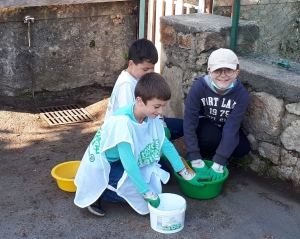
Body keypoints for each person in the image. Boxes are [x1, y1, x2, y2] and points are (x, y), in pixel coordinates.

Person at [74, 73, 208, 217]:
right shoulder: (122, 122)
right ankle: (98, 192)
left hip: (119, 161)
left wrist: (184, 172)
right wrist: (145, 192)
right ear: (140, 100)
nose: (161, 111)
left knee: (153, 184)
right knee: (139, 193)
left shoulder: (149, 114)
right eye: (157, 106)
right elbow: (129, 163)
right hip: (104, 166)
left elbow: (164, 143)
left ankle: (109, 187)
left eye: (163, 106)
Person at [183, 48, 251, 181]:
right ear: (209, 71)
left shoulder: (242, 95)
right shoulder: (199, 87)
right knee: (212, 138)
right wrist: (194, 154)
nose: (223, 75)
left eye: (228, 70)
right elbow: (189, 121)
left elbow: (232, 127)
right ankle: (199, 156)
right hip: (205, 123)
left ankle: (216, 158)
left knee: (242, 148)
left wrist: (220, 160)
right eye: (217, 70)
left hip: (225, 125)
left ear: (237, 72)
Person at [104, 38, 183, 141]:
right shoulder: (126, 85)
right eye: (145, 69)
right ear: (131, 64)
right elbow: (129, 121)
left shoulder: (140, 77)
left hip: (146, 120)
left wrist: (161, 124)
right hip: (124, 135)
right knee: (160, 154)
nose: (149, 72)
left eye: (152, 68)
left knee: (184, 126)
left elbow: (154, 104)